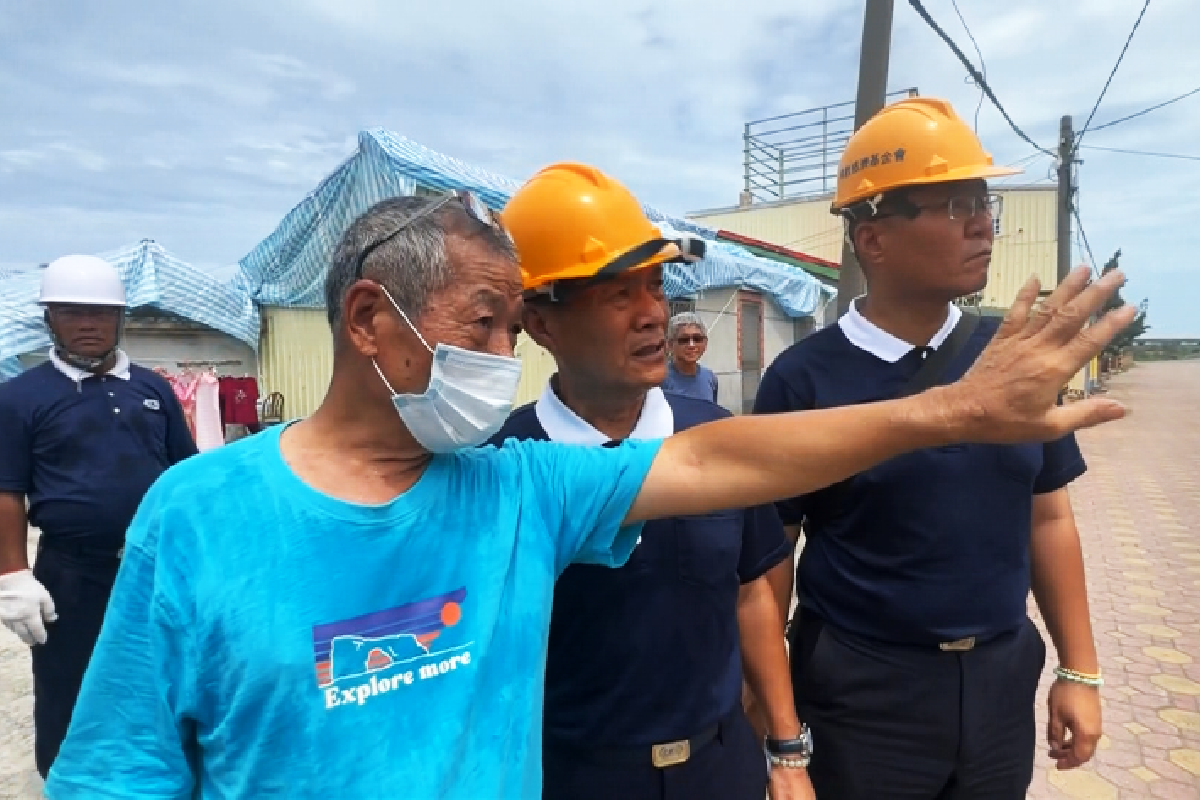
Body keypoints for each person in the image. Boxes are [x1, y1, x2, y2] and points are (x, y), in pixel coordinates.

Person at [42, 183, 1131, 800]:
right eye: (484, 325)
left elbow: (717, 462)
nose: (501, 357)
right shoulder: (197, 514)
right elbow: (120, 771)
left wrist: (949, 410)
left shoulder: (514, 490)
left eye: (508, 331)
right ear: (371, 319)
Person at [753, 97, 1104, 800]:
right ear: (873, 239)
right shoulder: (803, 380)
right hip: (862, 694)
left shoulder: (1012, 357)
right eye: (953, 206)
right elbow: (767, 569)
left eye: (982, 204)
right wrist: (783, 738)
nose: (982, 224)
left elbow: (1049, 517)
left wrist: (1079, 670)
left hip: (1001, 681)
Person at [490, 163, 806, 800]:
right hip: (574, 777)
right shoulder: (504, 467)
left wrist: (786, 750)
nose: (653, 315)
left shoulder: (714, 439)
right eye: (618, 294)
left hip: (720, 768)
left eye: (656, 287)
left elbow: (753, 593)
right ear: (541, 323)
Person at [0, 255, 198, 780]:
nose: (87, 324)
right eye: (72, 312)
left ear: (120, 318)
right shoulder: (20, 397)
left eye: (100, 313)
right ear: (49, 319)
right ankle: (68, 781)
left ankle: (158, 778)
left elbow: (185, 476)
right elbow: (6, 490)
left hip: (153, 566)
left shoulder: (153, 389)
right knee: (70, 684)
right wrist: (12, 574)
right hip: (72, 573)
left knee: (162, 673)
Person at [662, 312, 718, 403]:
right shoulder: (660, 380)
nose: (691, 345)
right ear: (670, 344)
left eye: (697, 339)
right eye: (684, 340)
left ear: (705, 343)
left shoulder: (710, 378)